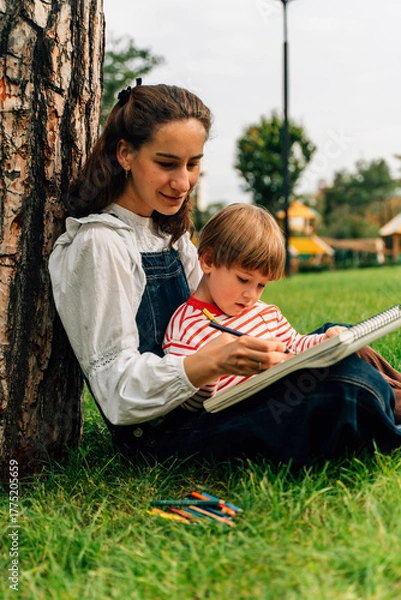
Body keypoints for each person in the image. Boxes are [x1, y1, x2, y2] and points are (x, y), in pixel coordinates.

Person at [49, 81, 401, 468]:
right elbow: (117, 392)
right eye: (166, 164)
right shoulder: (100, 244)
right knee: (346, 386)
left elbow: (216, 306)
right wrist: (214, 362)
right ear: (125, 154)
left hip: (219, 397)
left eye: (193, 164)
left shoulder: (167, 232)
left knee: (337, 341)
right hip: (167, 430)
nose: (182, 182)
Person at [163, 203, 345, 411]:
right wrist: (213, 366)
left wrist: (324, 341)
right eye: (243, 279)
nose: (251, 296)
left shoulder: (265, 313)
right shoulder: (185, 327)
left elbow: (294, 344)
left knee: (350, 350)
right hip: (240, 417)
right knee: (342, 386)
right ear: (208, 260)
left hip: (286, 396)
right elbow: (189, 404)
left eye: (261, 285)